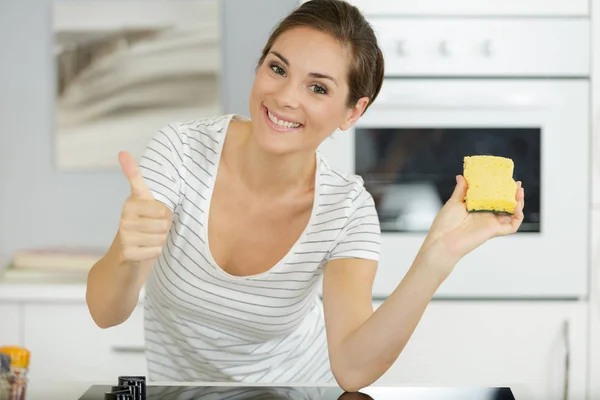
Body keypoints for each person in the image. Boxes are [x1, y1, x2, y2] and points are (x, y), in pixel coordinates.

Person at [85, 0, 525, 393]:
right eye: (277, 68)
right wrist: (128, 251)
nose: (284, 97)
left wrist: (439, 256)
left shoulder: (346, 208)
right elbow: (105, 312)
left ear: (352, 111)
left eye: (318, 87)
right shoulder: (181, 152)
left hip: (296, 392)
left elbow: (352, 370)